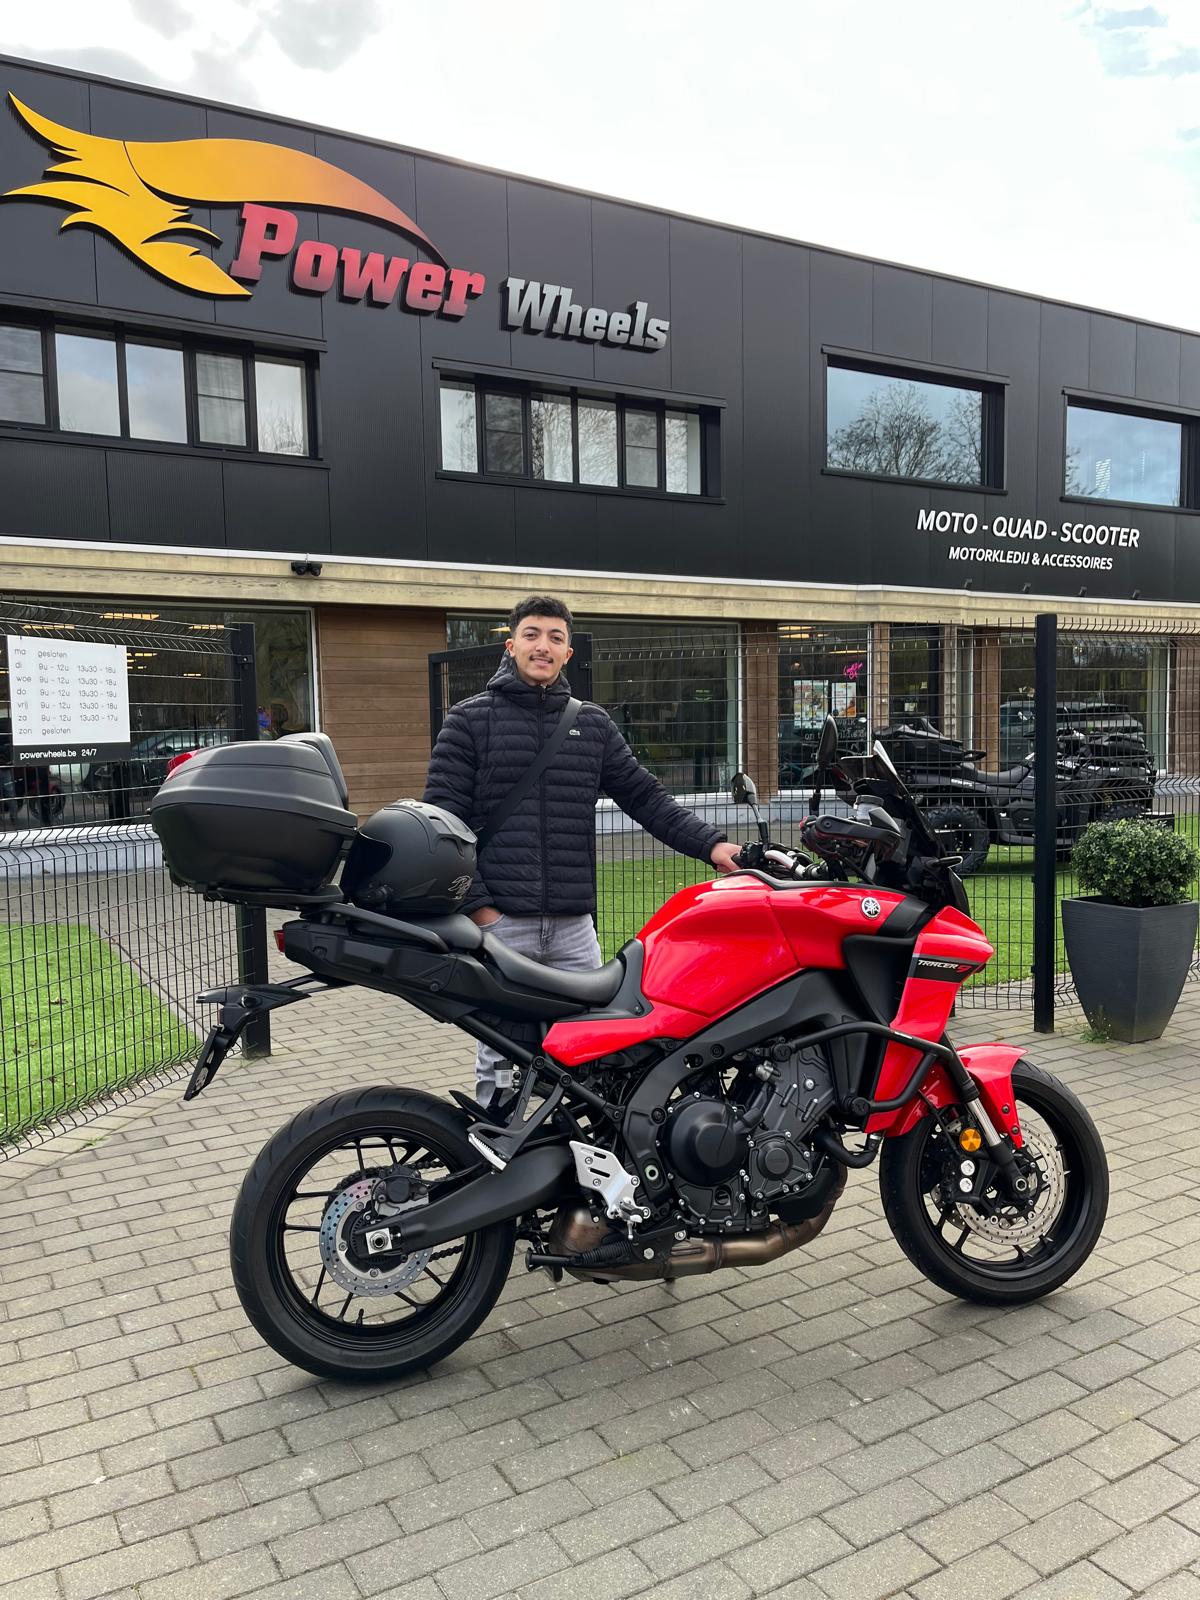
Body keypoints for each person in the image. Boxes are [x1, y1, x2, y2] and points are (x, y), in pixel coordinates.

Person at [423, 596, 742, 1100]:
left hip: (574, 930)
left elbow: (645, 797)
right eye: (531, 634)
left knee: (592, 1053)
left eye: (555, 638)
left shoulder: (591, 725)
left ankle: (571, 1145)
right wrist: (482, 911)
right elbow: (444, 822)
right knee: (502, 1058)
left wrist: (714, 845)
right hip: (501, 925)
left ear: (567, 653)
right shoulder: (468, 721)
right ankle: (494, 1140)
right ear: (511, 646)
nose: (543, 646)